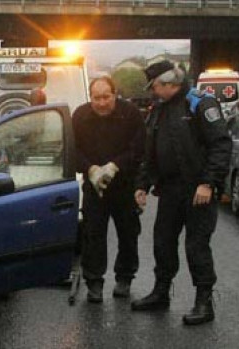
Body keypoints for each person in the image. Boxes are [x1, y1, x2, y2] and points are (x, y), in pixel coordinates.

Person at [131, 61, 232, 326]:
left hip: (198, 190)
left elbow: (220, 145)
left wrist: (208, 183)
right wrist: (142, 185)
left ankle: (203, 302)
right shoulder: (159, 110)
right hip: (170, 190)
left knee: (196, 247)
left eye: (154, 86)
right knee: (163, 242)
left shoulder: (199, 103)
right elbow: (149, 152)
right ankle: (161, 292)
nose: (153, 91)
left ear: (167, 83)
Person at [73, 76, 145, 303]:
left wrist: (115, 166)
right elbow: (72, 149)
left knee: (128, 234)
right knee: (93, 235)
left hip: (124, 185)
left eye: (106, 97)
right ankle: (94, 282)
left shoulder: (131, 113)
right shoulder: (80, 116)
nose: (102, 103)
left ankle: (125, 278)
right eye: (97, 98)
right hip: (94, 187)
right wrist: (91, 169)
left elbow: (140, 148)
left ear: (115, 94)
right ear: (90, 97)